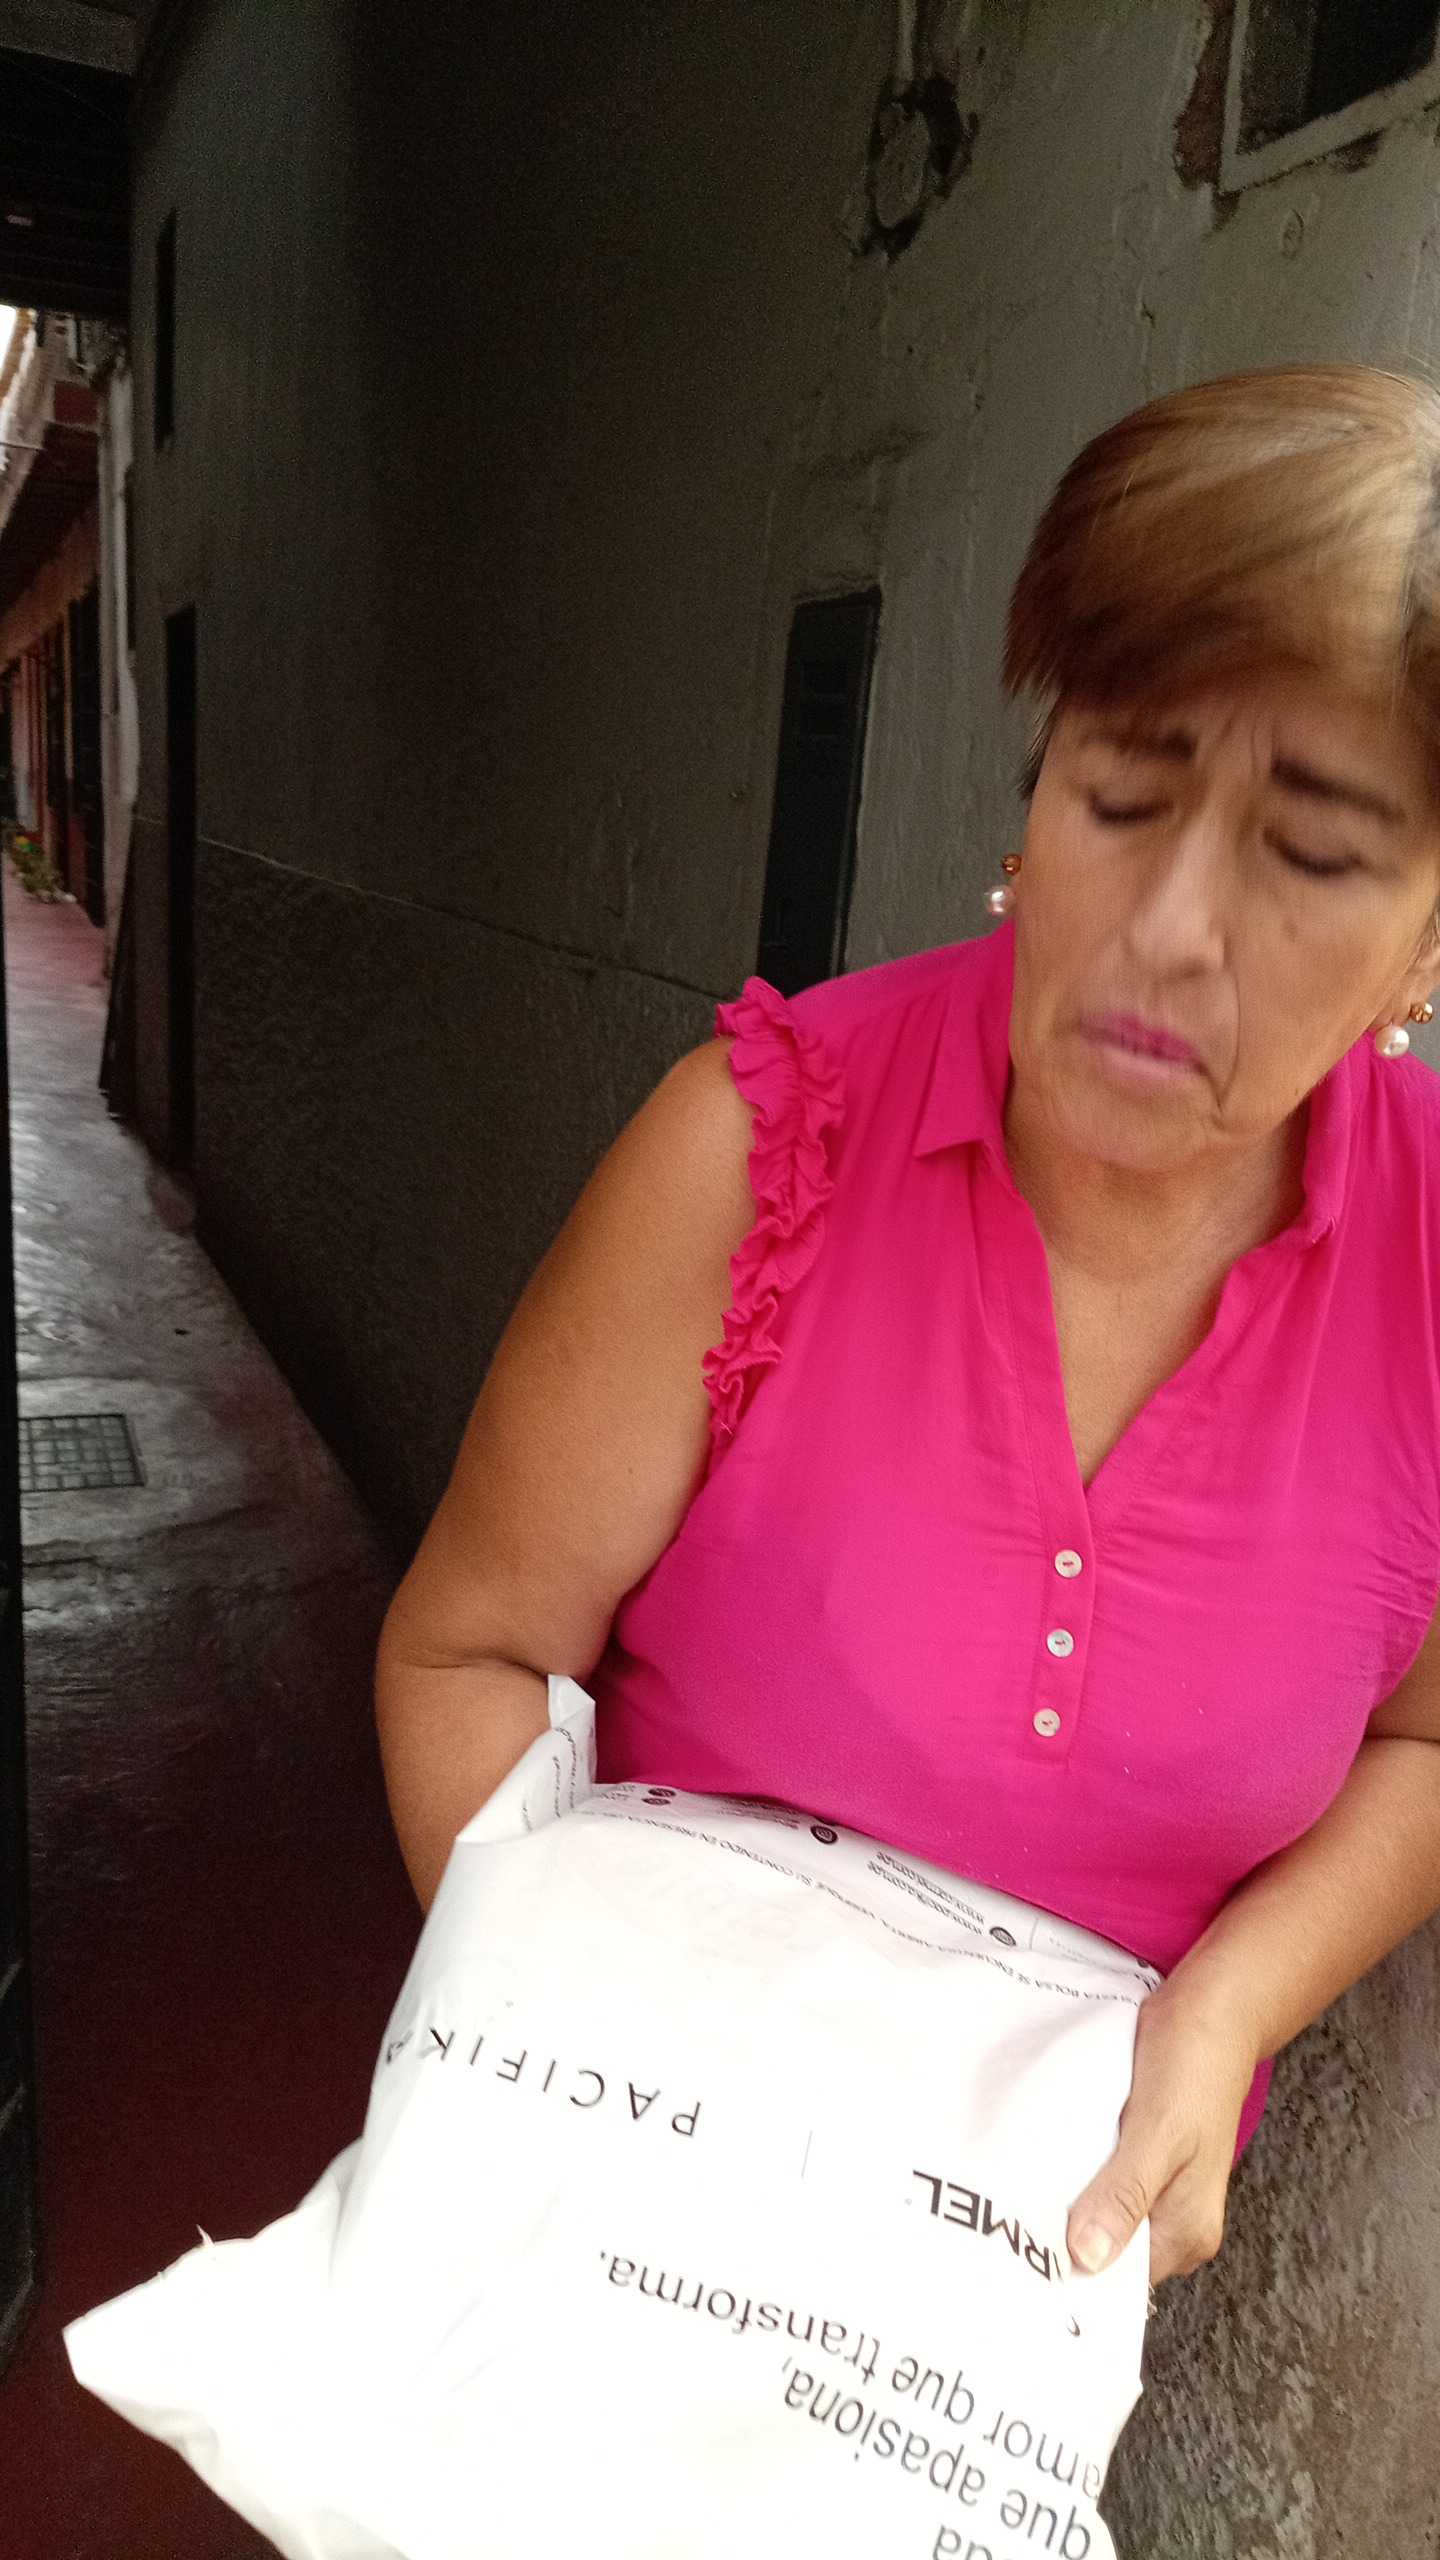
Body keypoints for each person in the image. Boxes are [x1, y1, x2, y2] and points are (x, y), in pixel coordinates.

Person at [375, 362, 1440, 2298]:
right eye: (1122, 791)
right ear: (1036, 786)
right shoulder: (755, 1150)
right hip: (611, 2214)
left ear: (1431, 940)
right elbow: (469, 1651)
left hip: (1010, 2299)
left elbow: (1428, 1735)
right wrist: (609, 2094)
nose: (1169, 927)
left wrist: (1231, 2002)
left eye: (1312, 855)